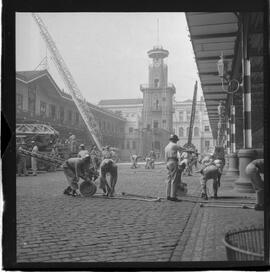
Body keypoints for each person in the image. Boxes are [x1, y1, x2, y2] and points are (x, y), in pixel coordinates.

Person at [164, 134, 185, 201]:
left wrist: (166, 164)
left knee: (168, 179)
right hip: (173, 161)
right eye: (176, 140)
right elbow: (182, 149)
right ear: (175, 140)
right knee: (174, 179)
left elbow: (165, 157)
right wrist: (190, 150)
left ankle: (168, 195)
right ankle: (173, 196)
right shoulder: (174, 145)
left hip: (168, 162)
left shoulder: (166, 146)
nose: (176, 141)